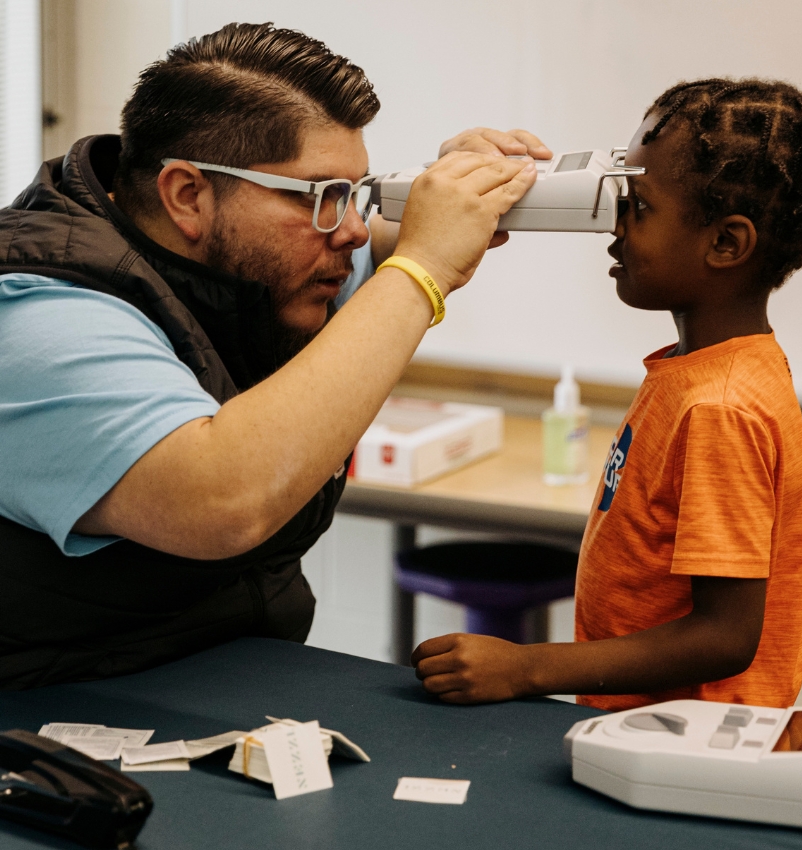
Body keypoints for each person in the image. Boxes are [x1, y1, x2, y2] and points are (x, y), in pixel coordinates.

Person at [0, 22, 552, 689]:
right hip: (51, 719)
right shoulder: (36, 309)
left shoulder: (249, 273)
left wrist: (452, 190)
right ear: (187, 195)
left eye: (354, 193)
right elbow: (220, 500)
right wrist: (425, 265)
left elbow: (384, 245)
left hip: (223, 680)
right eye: (318, 197)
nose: (348, 229)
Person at [413, 78, 802, 710]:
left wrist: (528, 667)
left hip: (691, 750)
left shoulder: (720, 406)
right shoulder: (697, 370)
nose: (612, 225)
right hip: (646, 733)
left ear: (726, 243)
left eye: (637, 206)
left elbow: (725, 636)